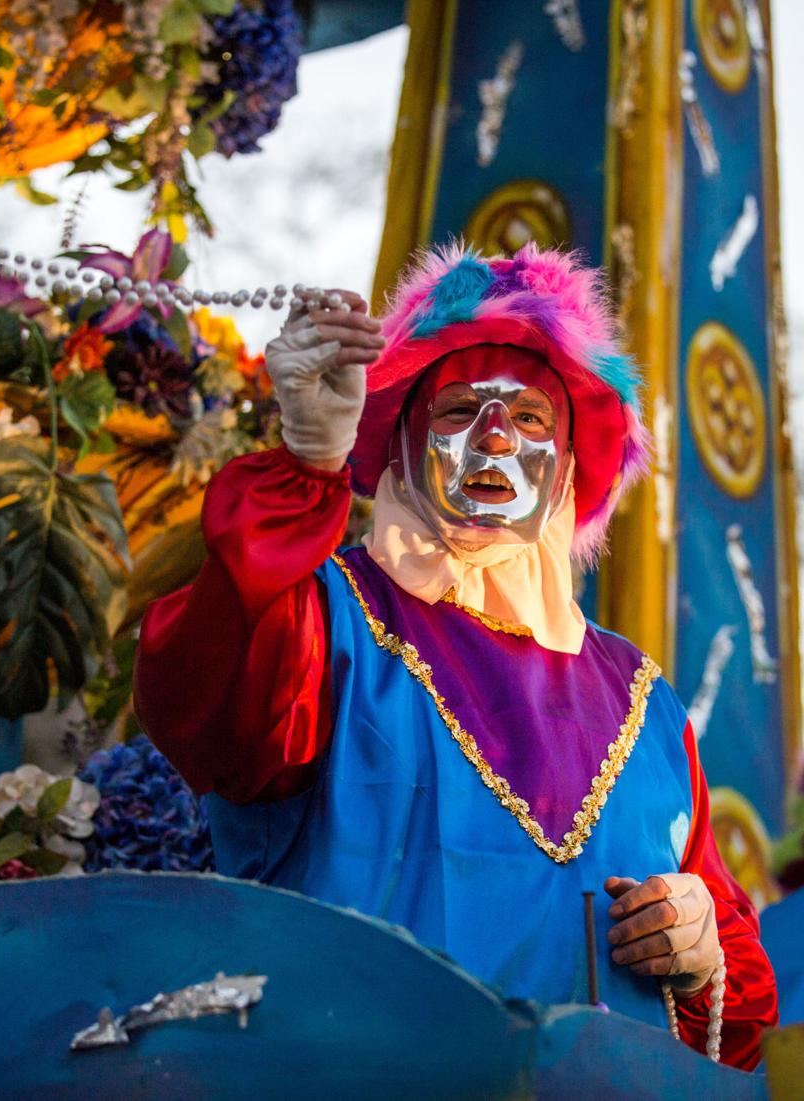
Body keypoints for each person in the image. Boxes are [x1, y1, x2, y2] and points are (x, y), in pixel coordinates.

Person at [135, 243, 777, 1068]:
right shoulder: (324, 614)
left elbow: (740, 1006)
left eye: (532, 417)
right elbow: (206, 703)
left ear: (572, 465)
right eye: (459, 407)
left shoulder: (646, 704)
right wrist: (305, 463)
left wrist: (699, 962)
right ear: (403, 441)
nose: (496, 434)